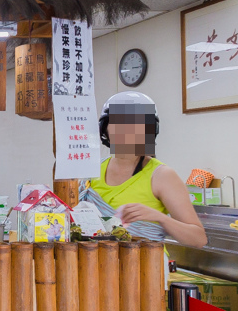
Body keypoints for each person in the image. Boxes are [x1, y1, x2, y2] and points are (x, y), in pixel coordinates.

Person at [88, 92, 206, 247]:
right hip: (95, 264)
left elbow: (198, 239)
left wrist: (160, 217)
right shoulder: (90, 171)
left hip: (146, 266)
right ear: (105, 129)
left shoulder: (162, 176)